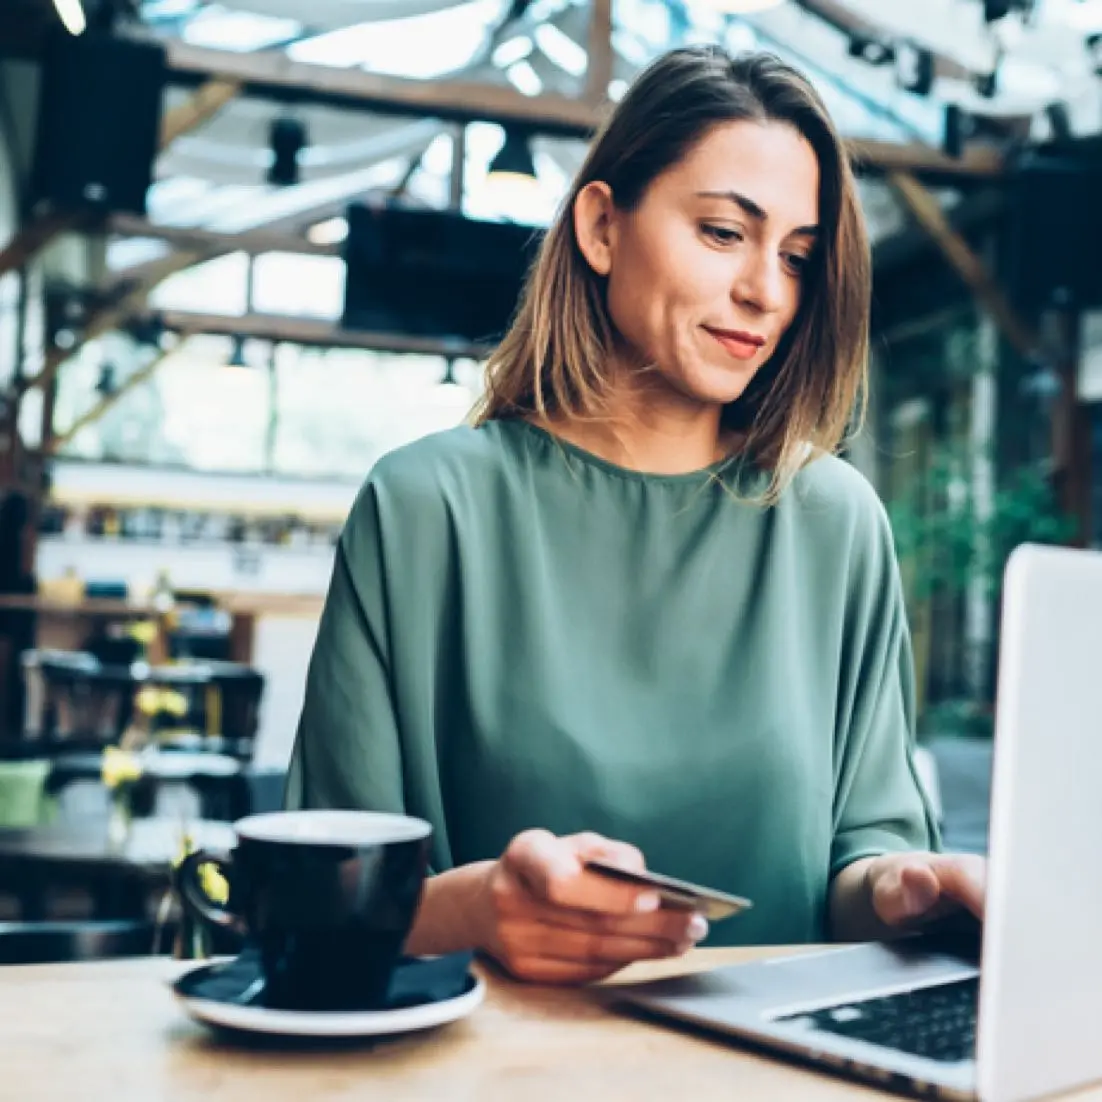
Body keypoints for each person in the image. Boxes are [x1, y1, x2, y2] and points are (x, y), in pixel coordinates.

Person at [285, 46, 985, 986]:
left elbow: (862, 856)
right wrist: (472, 910)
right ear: (603, 226)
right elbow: (317, 907)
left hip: (781, 1079)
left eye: (797, 257)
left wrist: (909, 887)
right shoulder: (423, 509)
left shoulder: (834, 522)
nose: (766, 292)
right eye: (724, 233)